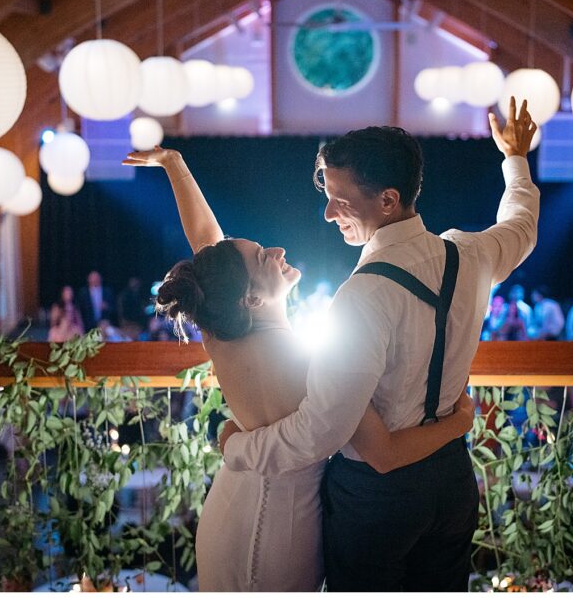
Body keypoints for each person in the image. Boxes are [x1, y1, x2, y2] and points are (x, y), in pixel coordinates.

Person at [219, 98, 540, 590]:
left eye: (339, 200)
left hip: (376, 499)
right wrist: (514, 158)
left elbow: (319, 432)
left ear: (388, 200)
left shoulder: (360, 297)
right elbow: (522, 225)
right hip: (453, 481)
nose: (327, 214)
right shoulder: (470, 255)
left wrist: (239, 448)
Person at [122, 146, 475, 592]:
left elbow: (207, 243)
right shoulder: (308, 361)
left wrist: (175, 165)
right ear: (250, 298)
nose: (277, 251)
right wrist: (459, 422)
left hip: (234, 501)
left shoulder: (221, 327)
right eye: (261, 258)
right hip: (279, 529)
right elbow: (383, 452)